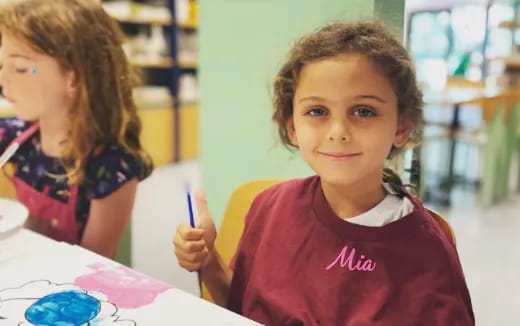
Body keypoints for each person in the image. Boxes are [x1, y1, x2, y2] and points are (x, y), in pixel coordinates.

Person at [173, 22, 474, 325]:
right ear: (293, 127)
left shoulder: (426, 254)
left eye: (364, 111)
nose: (338, 132)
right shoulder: (270, 207)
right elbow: (241, 308)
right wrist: (208, 260)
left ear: (400, 128)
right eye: (317, 111)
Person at [0, 0, 153, 259]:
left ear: (73, 77)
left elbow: (91, 266)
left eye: (21, 68)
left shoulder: (111, 168)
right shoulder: (13, 136)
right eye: (2, 65)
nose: (3, 80)